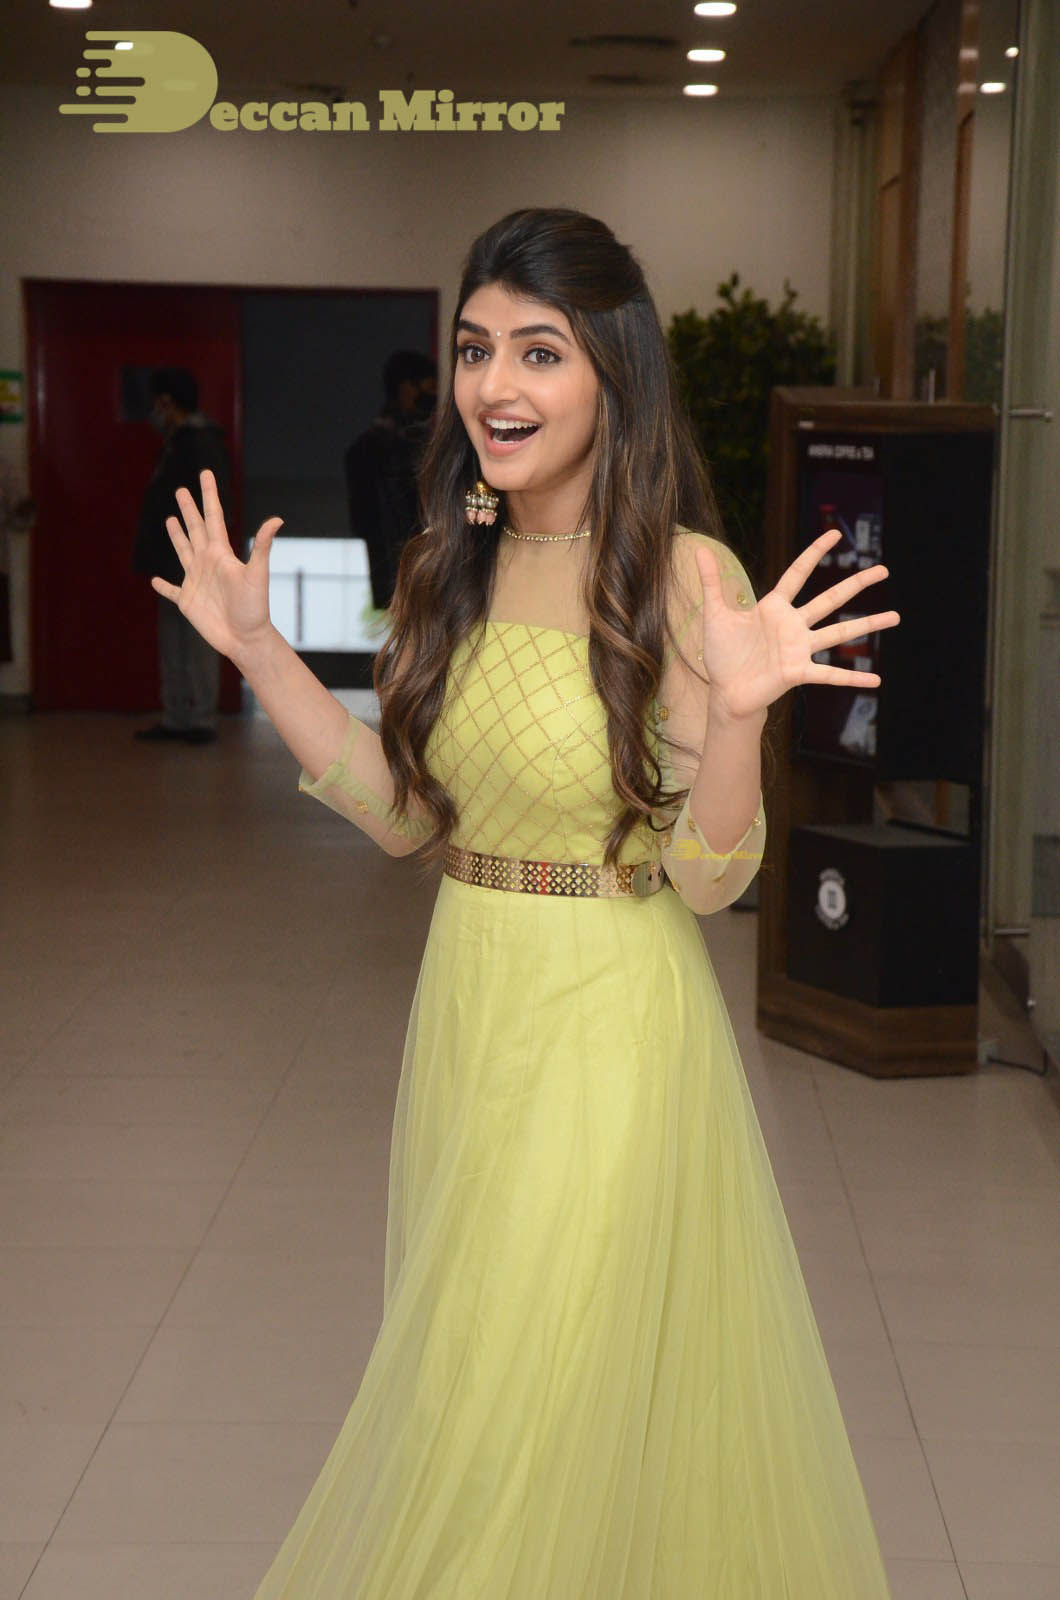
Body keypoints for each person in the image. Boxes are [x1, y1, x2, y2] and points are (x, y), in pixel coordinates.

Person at [151, 209, 900, 1597]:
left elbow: (709, 881)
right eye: (474, 348)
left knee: (527, 1409)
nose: (495, 386)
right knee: (476, 1385)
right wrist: (259, 649)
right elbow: (404, 818)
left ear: (615, 373)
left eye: (540, 352)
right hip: (471, 1009)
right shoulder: (452, 561)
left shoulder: (686, 576)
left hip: (613, 1030)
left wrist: (739, 718)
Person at [132, 367, 231, 743]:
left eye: (158, 402)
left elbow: (210, 505)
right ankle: (176, 717)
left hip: (193, 561)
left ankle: (201, 718)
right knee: (173, 643)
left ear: (168, 402)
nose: (154, 411)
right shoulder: (177, 443)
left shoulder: (200, 443)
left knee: (197, 641)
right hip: (170, 562)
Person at [344, 348, 438, 612]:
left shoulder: (370, 446)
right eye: (428, 388)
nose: (432, 398)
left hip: (408, 576)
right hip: (409, 575)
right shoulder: (384, 448)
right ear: (406, 388)